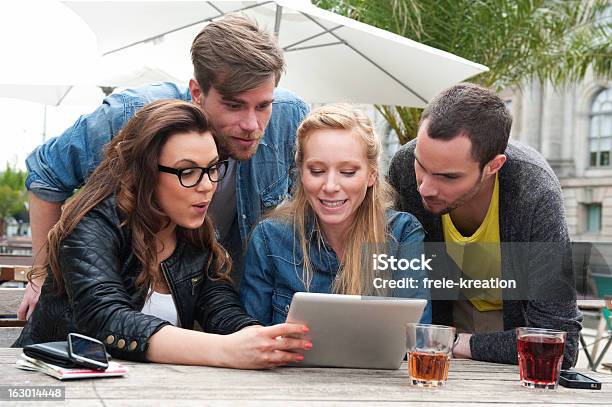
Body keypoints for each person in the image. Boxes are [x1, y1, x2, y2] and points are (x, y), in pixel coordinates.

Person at [18, 13, 309, 320]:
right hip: (124, 301)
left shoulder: (291, 117)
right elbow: (46, 175)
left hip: (224, 304)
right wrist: (41, 276)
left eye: (263, 105)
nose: (251, 124)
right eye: (234, 105)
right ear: (197, 92)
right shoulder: (129, 115)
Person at [14, 100, 311, 368]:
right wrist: (226, 350)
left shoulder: (194, 231)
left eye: (212, 168)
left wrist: (257, 338)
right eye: (188, 171)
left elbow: (220, 306)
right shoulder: (92, 223)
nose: (207, 185)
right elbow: (106, 319)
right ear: (145, 172)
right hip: (53, 383)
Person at [387, 83, 582, 369]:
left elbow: (559, 343)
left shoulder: (535, 192)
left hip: (508, 329)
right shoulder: (405, 165)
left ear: (494, 166)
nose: (425, 188)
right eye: (422, 165)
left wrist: (456, 343)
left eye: (449, 177)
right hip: (437, 325)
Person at [240, 104, 431, 325]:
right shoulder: (268, 239)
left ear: (371, 175)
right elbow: (250, 339)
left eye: (347, 172)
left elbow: (416, 334)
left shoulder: (402, 234)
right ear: (301, 172)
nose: (330, 186)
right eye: (317, 171)